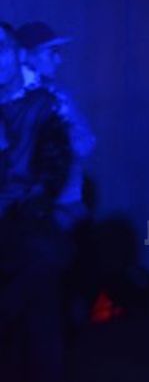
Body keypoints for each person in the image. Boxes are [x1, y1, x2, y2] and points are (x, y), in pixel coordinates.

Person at [0, 21, 75, 382]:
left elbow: (59, 162)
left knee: (37, 322)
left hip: (28, 225)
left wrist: (41, 206)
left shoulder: (44, 104)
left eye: (1, 49)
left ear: (18, 54)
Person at [16, 21, 96, 229]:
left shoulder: (60, 96)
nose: (59, 60)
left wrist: (65, 126)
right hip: (24, 213)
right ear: (26, 56)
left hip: (66, 205)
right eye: (52, 52)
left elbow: (86, 143)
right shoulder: (11, 99)